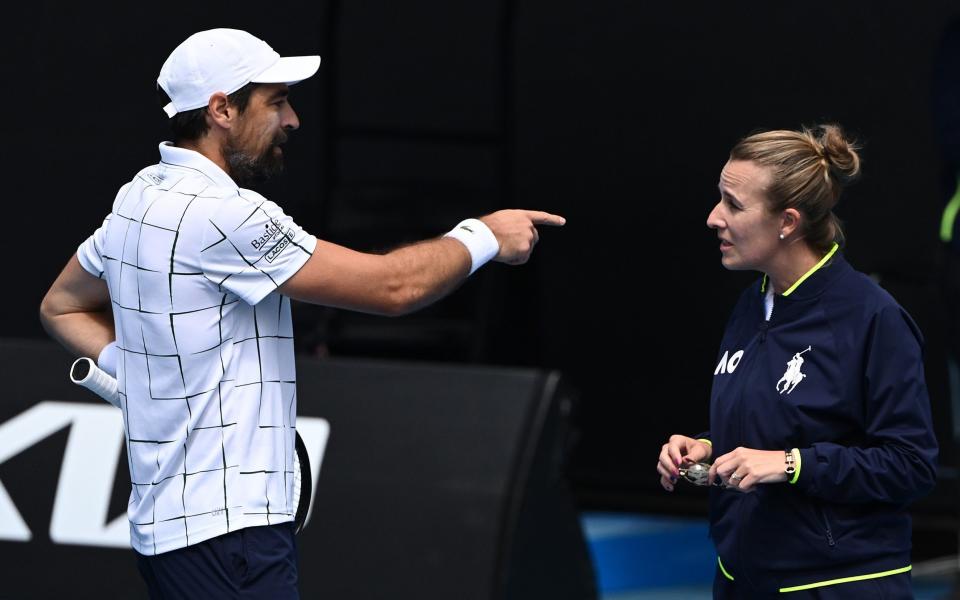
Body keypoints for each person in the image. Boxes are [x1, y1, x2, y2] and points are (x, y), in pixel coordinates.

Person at [38, 28, 564, 599]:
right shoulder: (227, 215)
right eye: (277, 101)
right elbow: (394, 287)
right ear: (221, 110)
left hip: (169, 533)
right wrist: (484, 235)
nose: (292, 120)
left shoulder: (137, 199)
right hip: (231, 541)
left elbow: (61, 306)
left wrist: (143, 373)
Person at [656, 124, 938, 598]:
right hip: (741, 577)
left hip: (837, 583)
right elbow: (775, 427)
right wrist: (707, 447)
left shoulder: (873, 318)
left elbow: (911, 465)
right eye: (718, 198)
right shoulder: (752, 304)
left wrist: (791, 465)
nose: (713, 217)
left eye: (734, 204)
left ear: (787, 222)